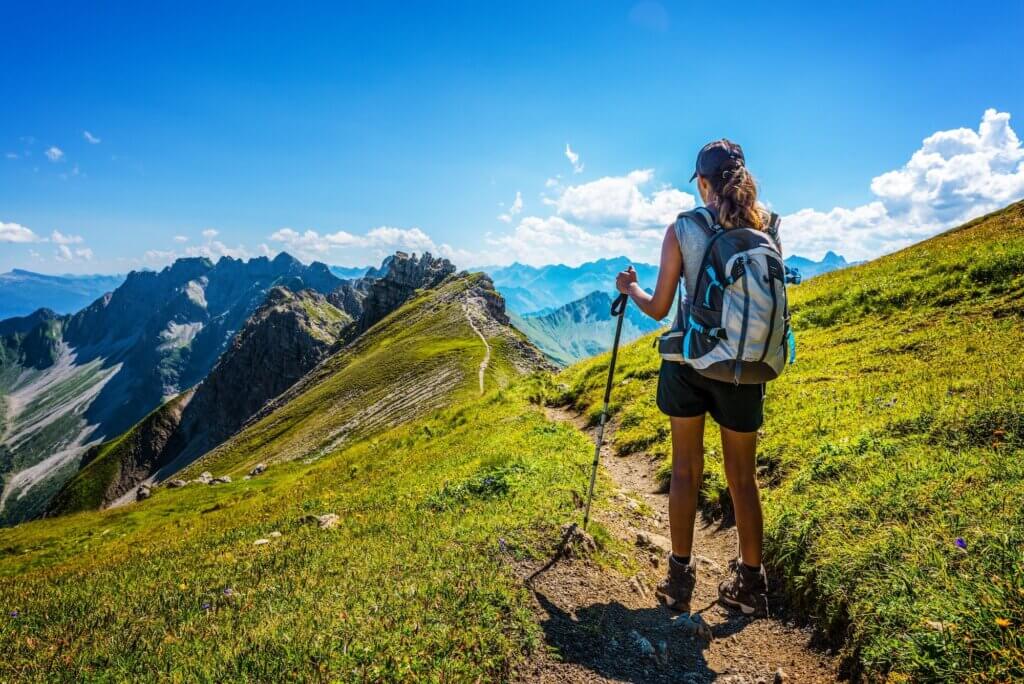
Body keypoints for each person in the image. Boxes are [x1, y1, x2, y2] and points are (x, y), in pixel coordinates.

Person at [615, 139, 771, 618]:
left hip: (689, 363)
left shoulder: (683, 228)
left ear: (702, 183)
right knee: (742, 478)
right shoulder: (768, 229)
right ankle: (750, 584)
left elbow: (661, 307)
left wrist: (631, 287)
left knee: (685, 468)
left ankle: (679, 580)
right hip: (746, 367)